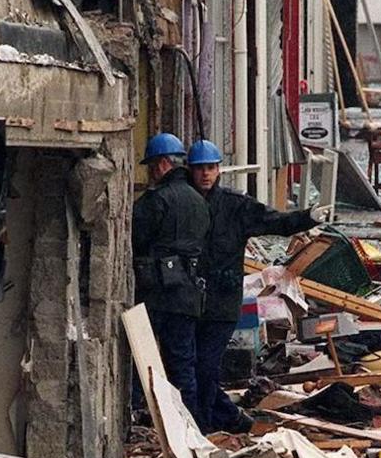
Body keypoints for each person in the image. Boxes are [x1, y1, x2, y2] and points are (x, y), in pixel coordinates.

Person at [187, 139, 331, 433]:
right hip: (189, 302)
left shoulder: (235, 206)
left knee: (205, 367)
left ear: (219, 170)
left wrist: (307, 217)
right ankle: (226, 419)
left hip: (222, 303)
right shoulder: (182, 203)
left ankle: (208, 424)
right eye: (200, 168)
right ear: (190, 170)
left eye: (210, 168)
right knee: (193, 369)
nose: (205, 174)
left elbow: (274, 221)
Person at [132, 133, 211, 426]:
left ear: (163, 164)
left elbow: (136, 239)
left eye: (152, 166)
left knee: (143, 360)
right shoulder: (199, 201)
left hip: (156, 293)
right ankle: (189, 427)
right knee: (183, 365)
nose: (151, 172)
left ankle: (141, 422)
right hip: (188, 293)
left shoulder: (154, 201)